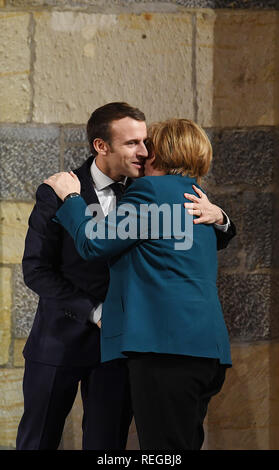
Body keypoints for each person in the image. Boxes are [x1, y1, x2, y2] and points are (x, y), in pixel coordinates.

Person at [44, 117, 234, 450]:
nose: (142, 152)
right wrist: (223, 219)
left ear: (158, 156)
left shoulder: (149, 193)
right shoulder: (198, 198)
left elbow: (94, 244)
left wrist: (71, 198)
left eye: (148, 145)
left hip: (165, 351)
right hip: (207, 351)